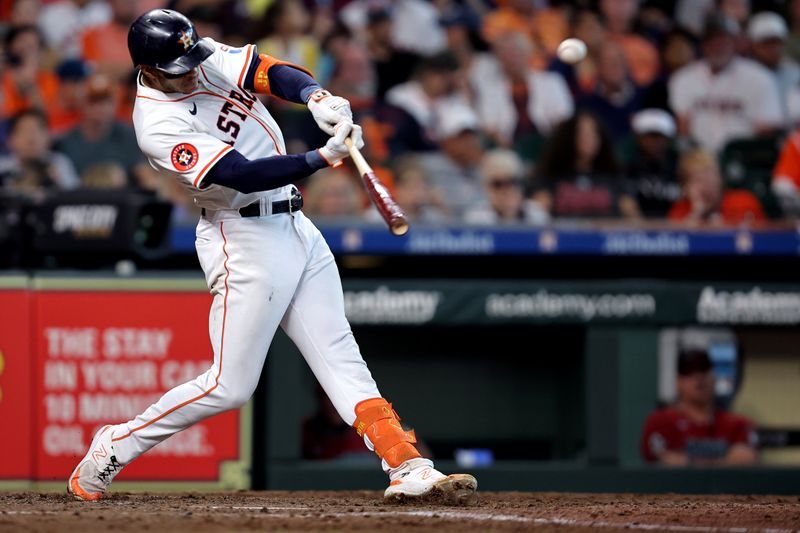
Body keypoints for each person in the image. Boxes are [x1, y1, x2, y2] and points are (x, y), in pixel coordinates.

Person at [66, 9, 476, 504]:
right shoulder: (156, 122)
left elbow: (267, 70)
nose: (194, 69)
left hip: (295, 226)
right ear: (149, 70)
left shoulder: (199, 54)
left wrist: (316, 96)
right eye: (179, 66)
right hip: (242, 238)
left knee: (340, 356)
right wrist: (320, 159)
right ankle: (117, 442)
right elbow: (240, 174)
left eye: (193, 57)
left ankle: (406, 463)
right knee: (229, 386)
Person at [668, 14, 783, 154]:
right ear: (703, 44)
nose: (717, 46)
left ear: (734, 42)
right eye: (711, 40)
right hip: (699, 159)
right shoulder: (683, 78)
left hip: (744, 156)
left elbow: (767, 129)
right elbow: (683, 127)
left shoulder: (760, 77)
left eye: (723, 39)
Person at [640, 349, 758, 466]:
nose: (698, 377)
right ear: (678, 382)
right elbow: (659, 459)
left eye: (704, 370)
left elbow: (746, 458)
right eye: (689, 373)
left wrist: (688, 461)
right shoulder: (661, 421)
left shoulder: (736, 423)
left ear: (714, 378)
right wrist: (724, 461)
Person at [531, 111, 640, 219]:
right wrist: (538, 209)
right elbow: (534, 218)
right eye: (581, 133)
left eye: (593, 133)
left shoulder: (614, 178)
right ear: (569, 137)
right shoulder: (549, 177)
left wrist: (631, 213)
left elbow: (635, 222)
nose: (588, 139)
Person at [668, 148, 766, 224]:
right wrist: (696, 213)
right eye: (698, 180)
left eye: (711, 176)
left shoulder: (744, 202)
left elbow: (762, 240)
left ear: (721, 178)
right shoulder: (680, 210)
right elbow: (677, 242)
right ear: (685, 187)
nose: (708, 184)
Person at [0, 109, 79, 199]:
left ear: (48, 137)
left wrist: (57, 183)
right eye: (24, 131)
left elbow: (75, 199)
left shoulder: (59, 163)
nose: (31, 139)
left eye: (37, 130)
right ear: (11, 140)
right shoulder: (2, 168)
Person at [464, 149, 549, 226]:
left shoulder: (536, 213)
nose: (506, 190)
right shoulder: (476, 218)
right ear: (486, 186)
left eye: (513, 182)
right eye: (498, 184)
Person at [626, 108, 681, 218]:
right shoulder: (629, 169)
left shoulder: (678, 168)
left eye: (659, 136)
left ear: (667, 138)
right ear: (639, 139)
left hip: (675, 229)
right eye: (649, 136)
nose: (654, 142)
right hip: (638, 230)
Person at [747, 12, 800, 122]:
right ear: (754, 45)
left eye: (776, 42)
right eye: (767, 43)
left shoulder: (795, 72)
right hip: (754, 134)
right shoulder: (743, 72)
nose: (773, 48)